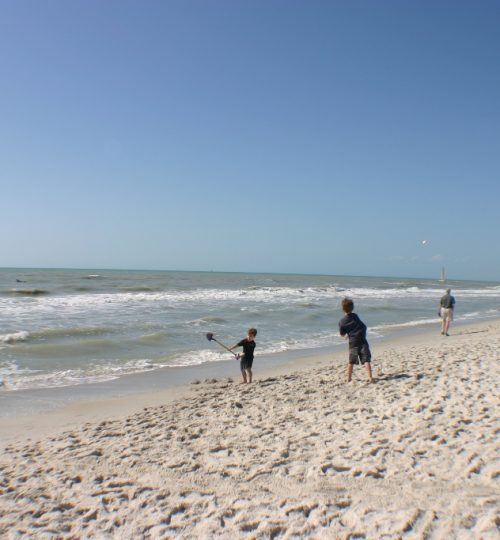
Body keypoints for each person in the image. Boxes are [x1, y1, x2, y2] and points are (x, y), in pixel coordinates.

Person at [339, 298, 374, 383]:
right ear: (352, 308)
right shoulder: (355, 316)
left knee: (351, 361)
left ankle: (349, 378)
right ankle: (370, 377)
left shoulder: (342, 322)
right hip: (362, 340)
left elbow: (342, 333)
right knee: (366, 360)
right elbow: (359, 325)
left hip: (353, 342)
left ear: (342, 309)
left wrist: (346, 335)